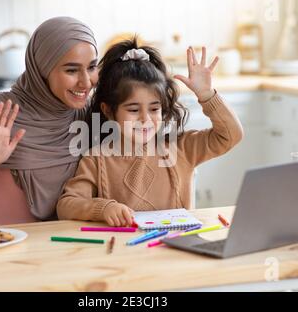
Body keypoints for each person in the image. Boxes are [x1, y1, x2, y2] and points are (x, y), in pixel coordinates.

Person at [56, 38, 244, 227]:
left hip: (176, 248)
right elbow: (66, 205)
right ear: (109, 111)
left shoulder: (181, 148)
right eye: (134, 110)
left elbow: (231, 135)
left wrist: (206, 94)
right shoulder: (96, 159)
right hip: (125, 250)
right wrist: (102, 209)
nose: (145, 119)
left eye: (154, 109)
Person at [0, 17, 98, 225]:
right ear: (42, 69)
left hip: (67, 247)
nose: (86, 82)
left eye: (92, 67)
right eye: (71, 70)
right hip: (1, 245)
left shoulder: (90, 114)